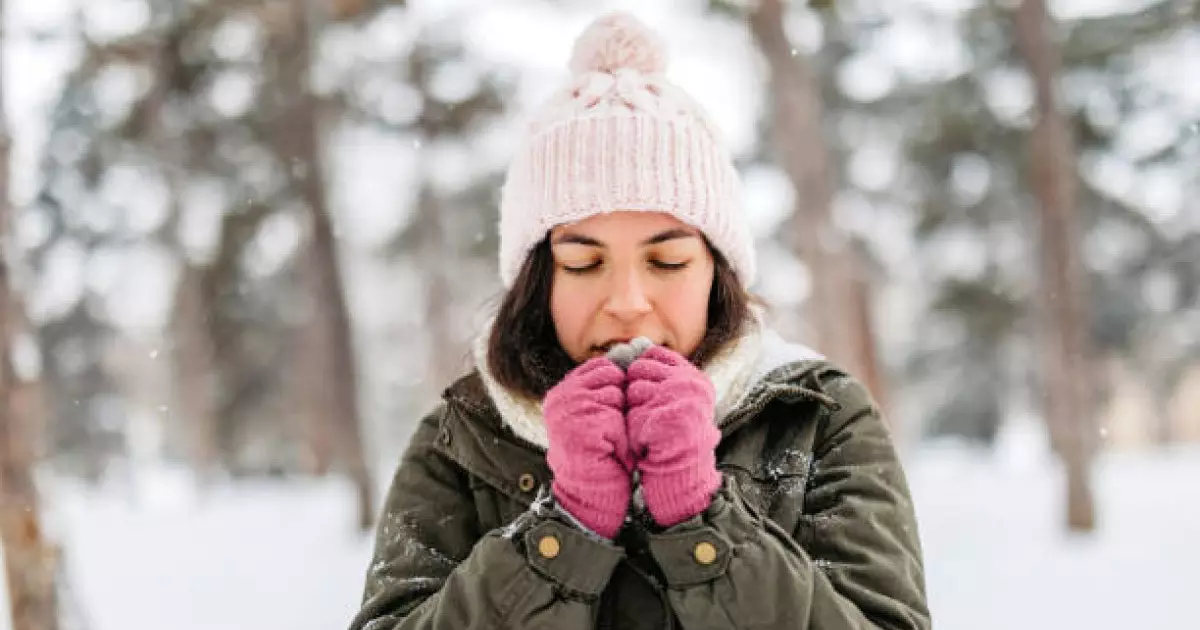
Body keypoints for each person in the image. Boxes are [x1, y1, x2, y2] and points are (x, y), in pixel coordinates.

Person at [349, 12, 928, 630]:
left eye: (667, 259)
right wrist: (561, 534)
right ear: (537, 282)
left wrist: (703, 523)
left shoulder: (815, 416)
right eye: (583, 261)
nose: (627, 300)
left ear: (717, 271)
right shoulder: (461, 437)